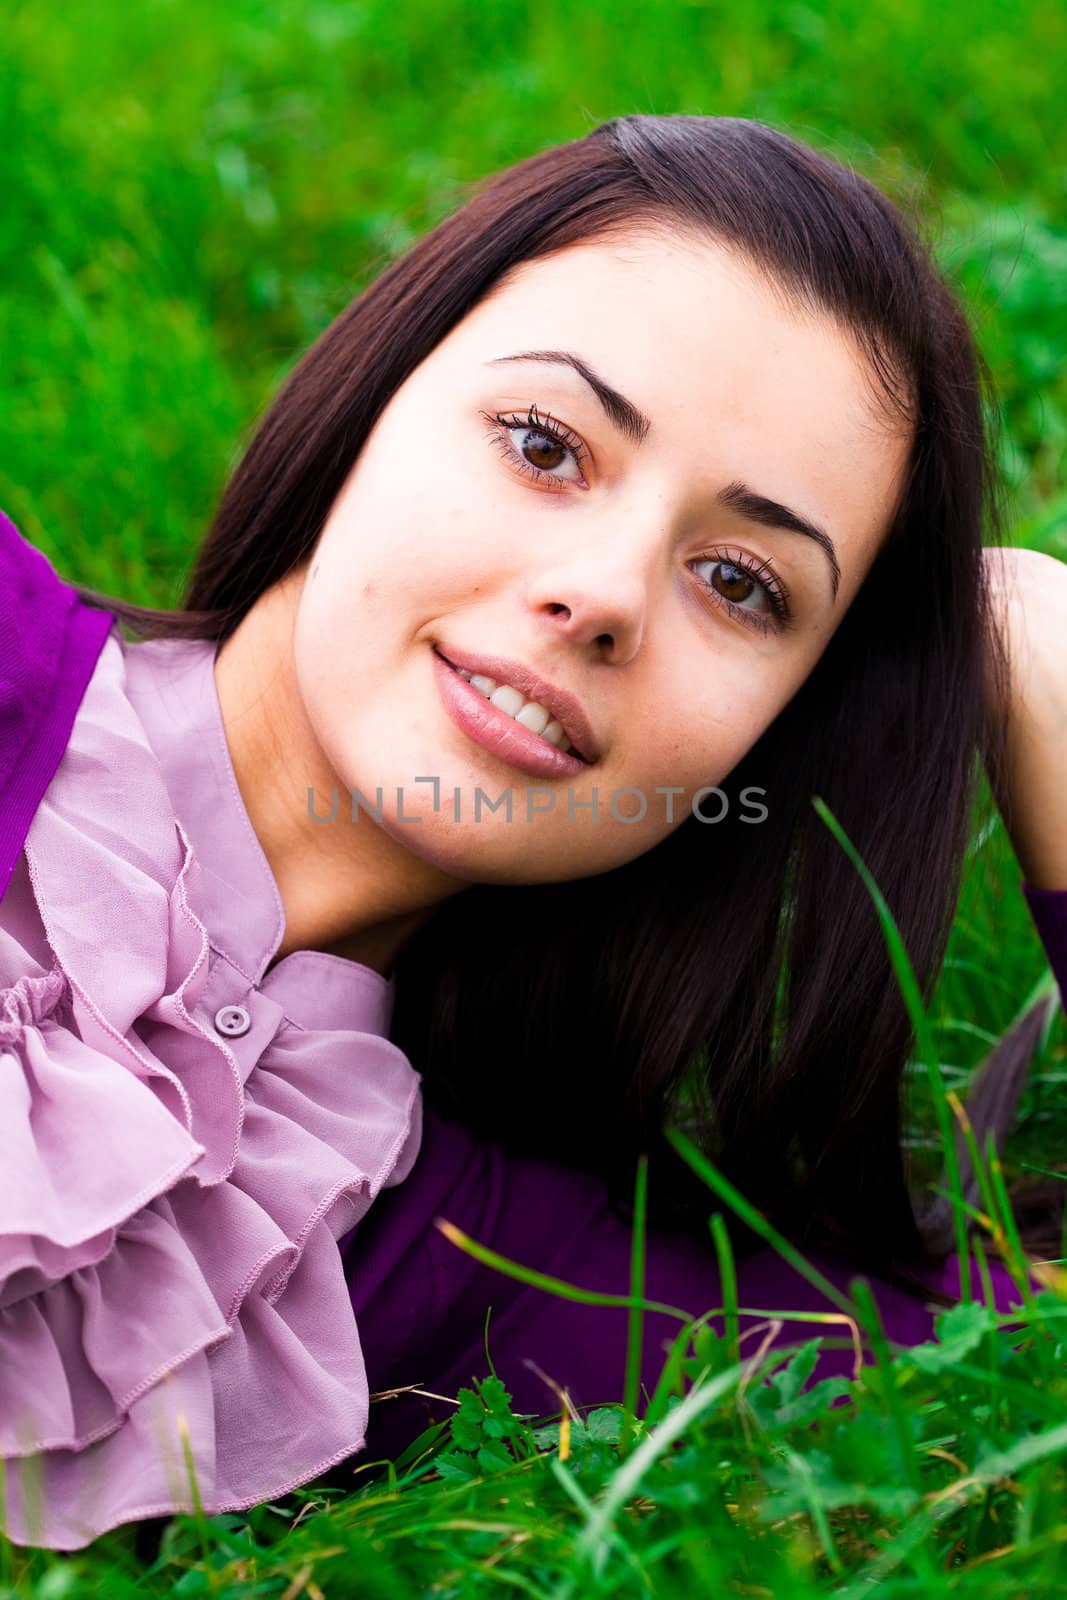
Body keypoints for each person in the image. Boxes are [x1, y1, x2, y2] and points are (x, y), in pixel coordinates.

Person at [1, 113, 1065, 1550]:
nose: (607, 590)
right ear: (375, 393)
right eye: (546, 444)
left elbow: (993, 1362)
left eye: (745, 585)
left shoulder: (470, 1254)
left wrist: (1024, 644)